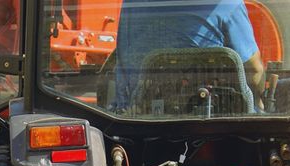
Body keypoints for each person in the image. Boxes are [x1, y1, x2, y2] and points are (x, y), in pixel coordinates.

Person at [113, 0, 266, 111]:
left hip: (138, 114)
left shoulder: (132, 4)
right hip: (209, 118)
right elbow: (254, 70)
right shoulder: (228, 4)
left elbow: (125, 54)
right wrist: (259, 103)